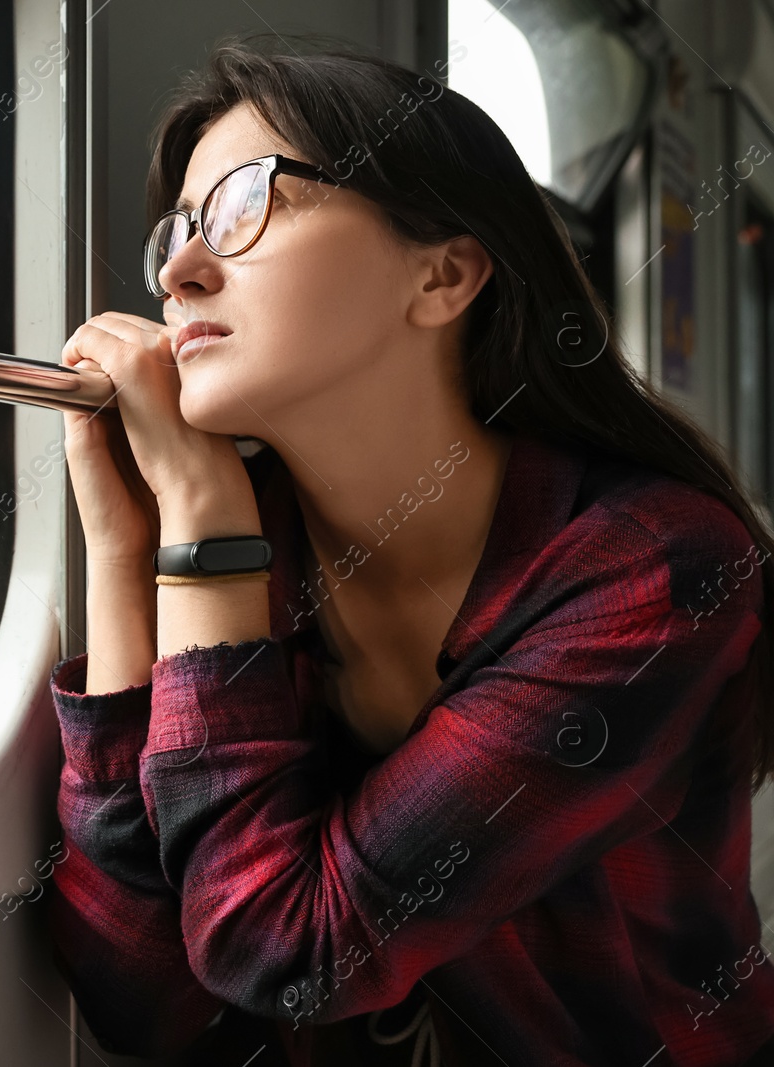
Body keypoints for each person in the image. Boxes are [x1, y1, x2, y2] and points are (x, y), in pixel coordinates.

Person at [46, 35, 774, 1066]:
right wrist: (128, 549)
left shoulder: (652, 569)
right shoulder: (259, 549)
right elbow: (138, 994)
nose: (177, 268)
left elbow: (284, 952)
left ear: (441, 274)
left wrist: (204, 529)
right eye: (177, 229)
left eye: (245, 202)